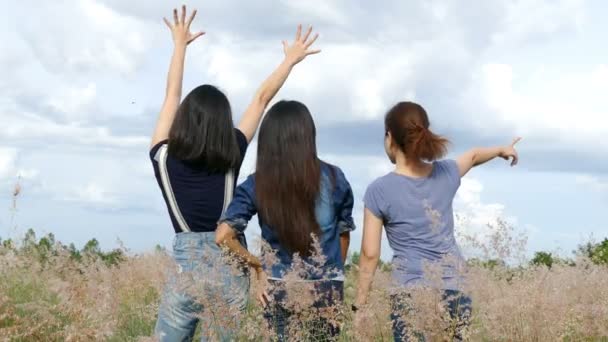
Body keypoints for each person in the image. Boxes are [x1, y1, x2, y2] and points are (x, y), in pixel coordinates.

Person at [150, 6, 321, 341]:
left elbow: (171, 95)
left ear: (182, 121)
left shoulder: (162, 157)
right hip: (230, 269)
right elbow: (260, 99)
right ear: (222, 123)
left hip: (185, 272)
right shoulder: (232, 155)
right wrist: (289, 60)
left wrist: (179, 46)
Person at [353, 101, 522, 341]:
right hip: (455, 288)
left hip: (410, 291)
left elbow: (370, 254)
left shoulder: (378, 190)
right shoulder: (445, 173)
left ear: (389, 137)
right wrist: (501, 150)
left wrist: (360, 305)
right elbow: (473, 156)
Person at [215, 100, 356, 341]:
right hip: (327, 289)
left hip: (279, 286)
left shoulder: (257, 183)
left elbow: (223, 236)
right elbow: (343, 233)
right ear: (308, 135)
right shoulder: (334, 177)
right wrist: (333, 273)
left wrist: (258, 265)